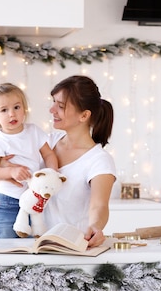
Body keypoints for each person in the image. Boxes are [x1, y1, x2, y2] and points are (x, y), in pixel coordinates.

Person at [43, 75, 116, 247]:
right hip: (37, 244)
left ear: (83, 116)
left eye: (60, 106)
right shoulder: (47, 143)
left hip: (71, 248)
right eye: (53, 102)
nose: (52, 110)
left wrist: (95, 226)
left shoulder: (99, 160)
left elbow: (99, 206)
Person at [0, 83, 59, 238]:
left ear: (24, 108)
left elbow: (49, 155)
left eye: (17, 107)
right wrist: (11, 171)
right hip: (7, 202)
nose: (12, 114)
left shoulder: (34, 131)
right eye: (4, 110)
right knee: (6, 245)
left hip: (33, 198)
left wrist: (52, 173)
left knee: (33, 244)